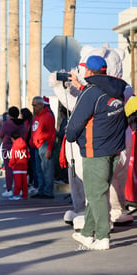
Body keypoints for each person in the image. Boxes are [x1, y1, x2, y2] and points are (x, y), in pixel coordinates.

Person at [67, 55, 127, 250]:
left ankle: (102, 237)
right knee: (98, 191)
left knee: (95, 194)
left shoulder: (91, 92)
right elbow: (100, 104)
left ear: (89, 72)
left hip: (96, 150)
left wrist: (70, 136)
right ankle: (87, 233)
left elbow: (75, 123)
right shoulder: (117, 89)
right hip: (115, 149)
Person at [29, 96, 56, 199]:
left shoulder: (48, 116)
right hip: (36, 146)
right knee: (39, 170)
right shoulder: (36, 116)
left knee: (47, 169)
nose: (33, 107)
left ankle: (48, 191)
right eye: (33, 105)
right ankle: (41, 190)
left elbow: (52, 134)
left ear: (41, 105)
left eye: (35, 105)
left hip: (44, 145)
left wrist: (49, 148)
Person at [0, 106, 26, 197]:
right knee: (20, 170)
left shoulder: (7, 123)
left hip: (8, 148)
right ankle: (21, 189)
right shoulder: (23, 123)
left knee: (8, 169)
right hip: (20, 148)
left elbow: (1, 134)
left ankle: (9, 189)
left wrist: (0, 126)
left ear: (9, 115)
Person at [8, 130, 30, 200]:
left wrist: (11, 164)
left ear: (12, 138)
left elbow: (13, 157)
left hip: (17, 167)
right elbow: (28, 155)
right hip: (24, 166)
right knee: (24, 183)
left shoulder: (14, 146)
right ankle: (25, 195)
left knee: (17, 183)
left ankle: (16, 194)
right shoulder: (24, 144)